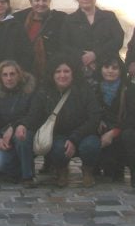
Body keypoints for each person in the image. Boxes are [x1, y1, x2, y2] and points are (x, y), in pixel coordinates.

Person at [29, 58, 102, 187]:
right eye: (58, 71)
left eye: (66, 71)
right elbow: (34, 116)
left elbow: (94, 117)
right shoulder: (44, 92)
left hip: (84, 134)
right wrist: (19, 126)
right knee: (57, 149)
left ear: (73, 73)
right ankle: (61, 170)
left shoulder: (84, 91)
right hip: (58, 135)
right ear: (52, 74)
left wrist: (74, 138)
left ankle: (88, 170)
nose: (62, 75)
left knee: (91, 145)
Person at [93, 54, 135, 187]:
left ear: (120, 71)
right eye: (106, 67)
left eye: (114, 68)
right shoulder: (95, 88)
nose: (110, 71)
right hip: (104, 130)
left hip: (123, 130)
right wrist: (97, 121)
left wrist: (114, 132)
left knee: (130, 135)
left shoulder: (129, 89)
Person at [60, 0, 124, 83]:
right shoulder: (69, 20)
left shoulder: (109, 16)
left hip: (108, 68)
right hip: (80, 68)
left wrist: (95, 54)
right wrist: (83, 56)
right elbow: (64, 44)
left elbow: (118, 39)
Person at [0, 60, 38, 184]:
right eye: (5, 75)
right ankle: (19, 168)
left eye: (12, 74)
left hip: (26, 132)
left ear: (19, 75)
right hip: (5, 138)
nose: (9, 78)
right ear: (0, 77)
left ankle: (28, 176)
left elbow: (34, 115)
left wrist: (15, 127)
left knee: (21, 137)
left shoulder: (30, 92)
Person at [14, 0, 66, 79]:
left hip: (49, 70)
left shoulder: (59, 19)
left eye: (44, 0)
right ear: (31, 1)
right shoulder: (19, 19)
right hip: (24, 69)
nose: (41, 4)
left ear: (49, 1)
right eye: (37, 0)